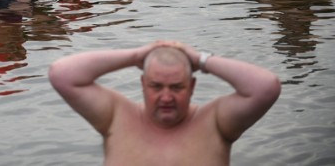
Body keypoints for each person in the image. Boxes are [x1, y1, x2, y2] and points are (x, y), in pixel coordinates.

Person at [48, 40, 281, 166]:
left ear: (191, 87)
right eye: (156, 86)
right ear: (143, 84)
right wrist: (136, 55)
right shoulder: (116, 117)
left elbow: (265, 87)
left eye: (177, 87)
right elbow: (62, 74)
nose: (166, 97)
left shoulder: (216, 123)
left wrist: (200, 60)